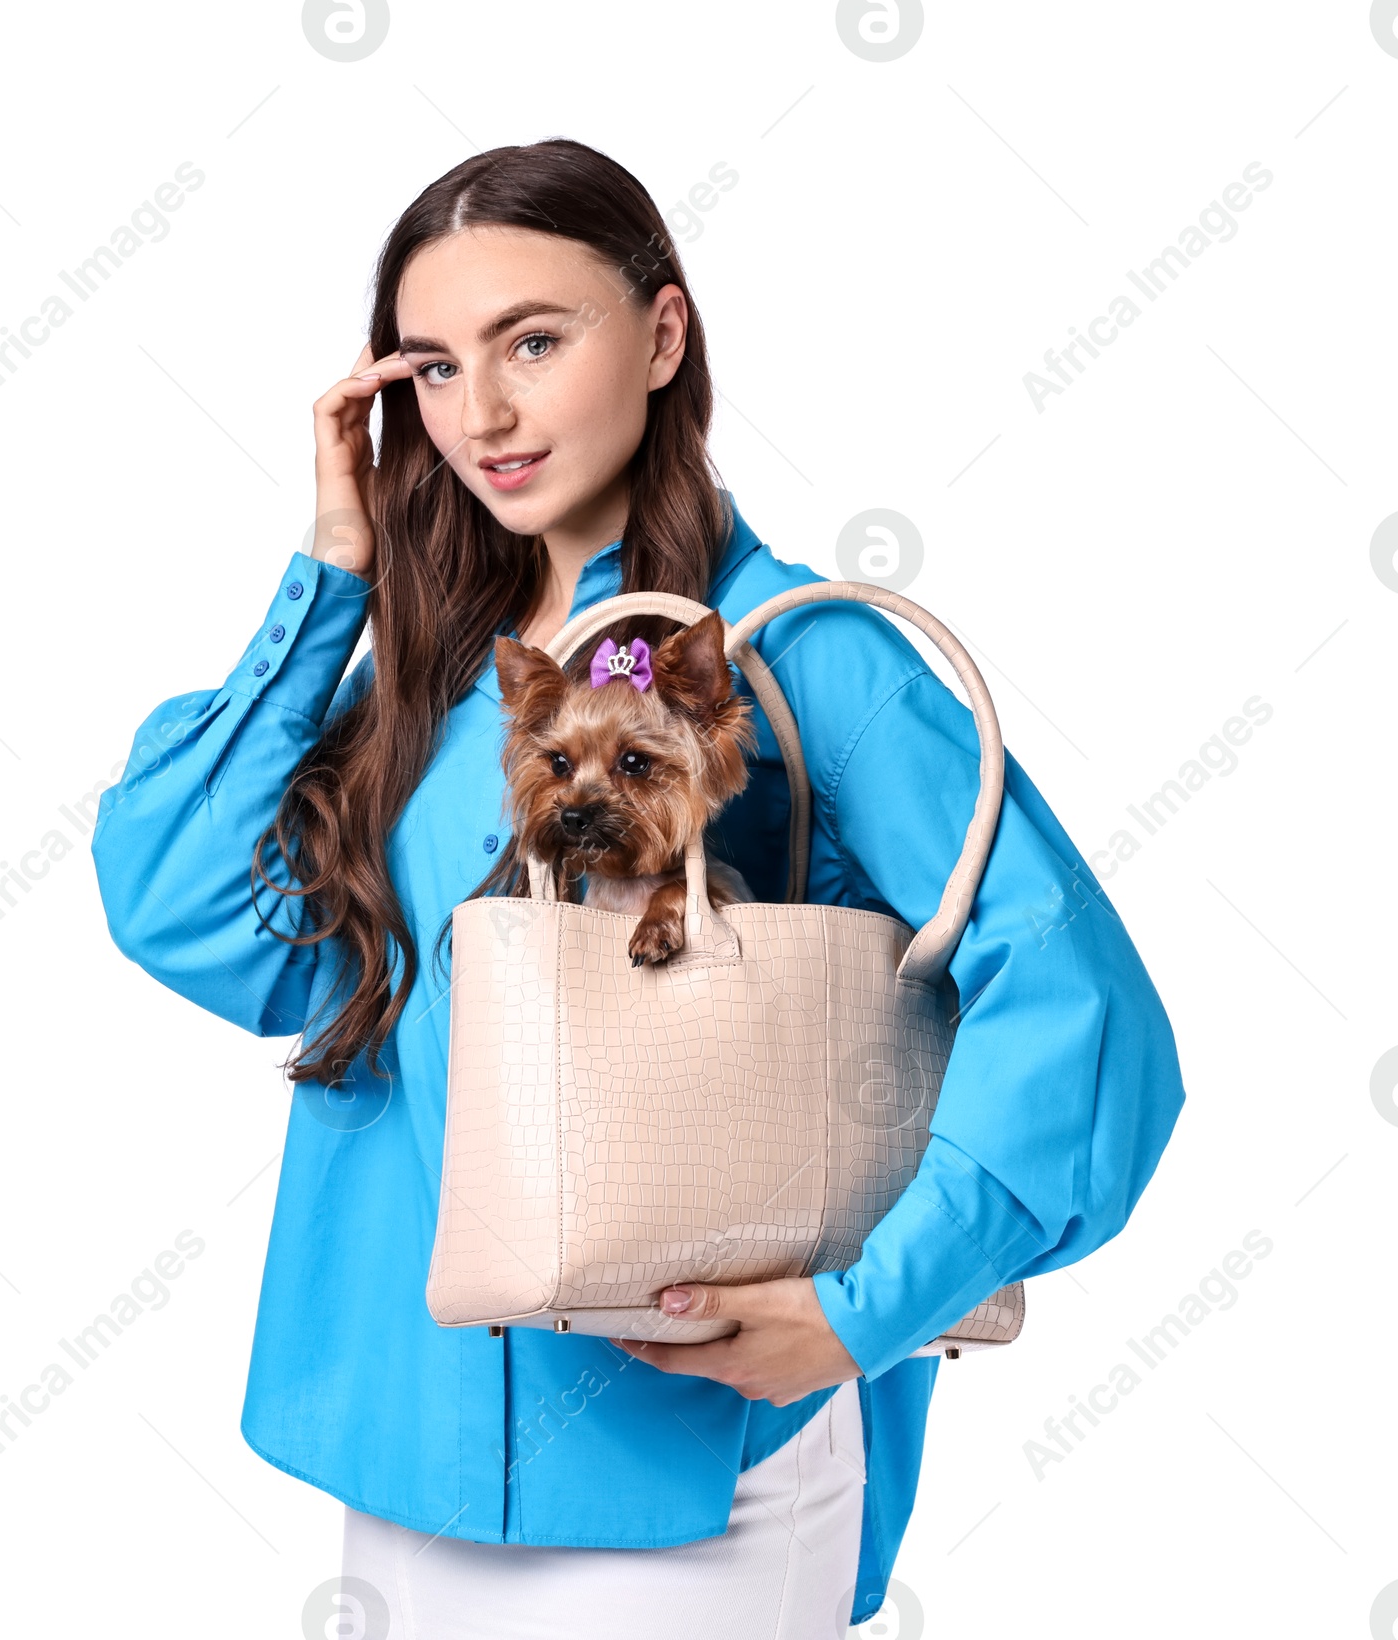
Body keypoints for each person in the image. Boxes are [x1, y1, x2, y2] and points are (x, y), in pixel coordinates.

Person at [90, 138, 1185, 1638]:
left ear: (664, 334)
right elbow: (180, 900)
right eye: (431, 366)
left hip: (696, 1465)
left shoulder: (801, 664)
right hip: (399, 1448)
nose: (482, 413)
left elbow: (1080, 1008)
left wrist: (867, 1311)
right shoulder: (437, 682)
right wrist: (332, 573)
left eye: (534, 341)